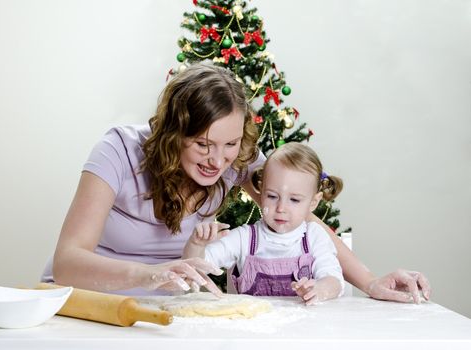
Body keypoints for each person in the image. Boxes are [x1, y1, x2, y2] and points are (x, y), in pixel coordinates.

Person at [42, 62, 431, 303]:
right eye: (202, 144)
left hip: (168, 310)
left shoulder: (235, 159)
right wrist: (148, 277)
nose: (217, 160)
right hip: (90, 303)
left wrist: (370, 280)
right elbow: (67, 262)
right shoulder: (118, 151)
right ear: (173, 132)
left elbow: (295, 215)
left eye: (230, 144)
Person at [183, 142, 344, 305]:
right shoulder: (244, 238)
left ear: (313, 202)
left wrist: (319, 289)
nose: (281, 208)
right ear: (261, 190)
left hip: (301, 328)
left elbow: (334, 281)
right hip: (252, 326)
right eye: (272, 196)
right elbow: (195, 270)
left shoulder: (314, 237)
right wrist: (196, 244)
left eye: (294, 200)